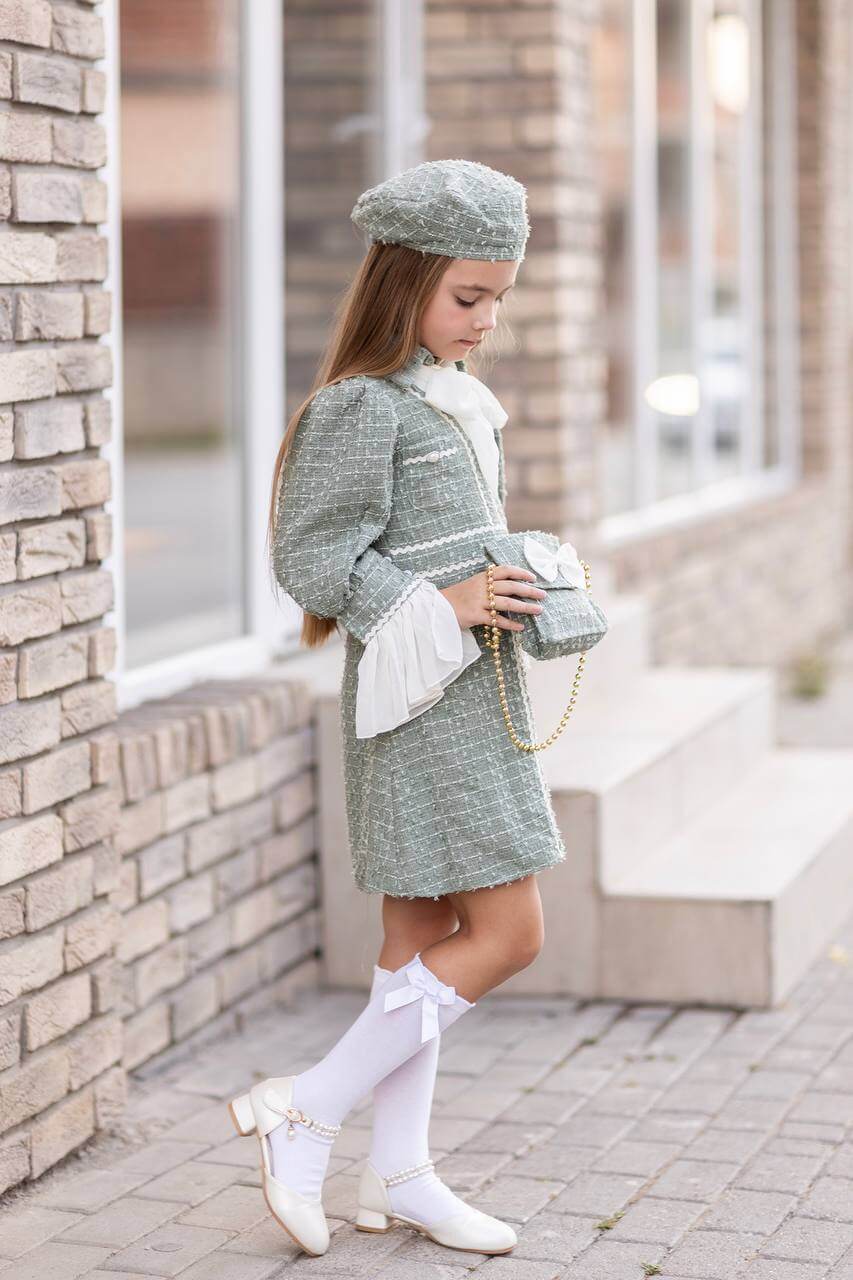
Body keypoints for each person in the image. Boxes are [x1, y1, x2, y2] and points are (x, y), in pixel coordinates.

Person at [229, 159, 567, 1258]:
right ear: (404, 279)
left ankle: (400, 1169)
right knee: (509, 933)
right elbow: (311, 556)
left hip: (469, 692)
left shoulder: (449, 400)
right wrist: (449, 599)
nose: (488, 319)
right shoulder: (359, 406)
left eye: (498, 297)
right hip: (420, 709)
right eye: (468, 295)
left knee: (421, 935)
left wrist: (516, 576)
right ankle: (308, 1107)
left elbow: (437, 546)